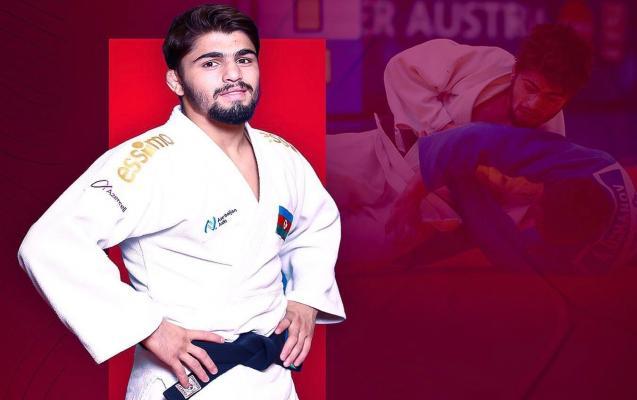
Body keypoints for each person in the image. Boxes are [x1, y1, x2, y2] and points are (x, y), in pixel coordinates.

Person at [17, 4, 345, 400]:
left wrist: (306, 297)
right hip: (189, 383)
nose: (233, 74)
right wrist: (148, 327)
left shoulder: (280, 156)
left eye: (244, 59)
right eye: (211, 63)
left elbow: (317, 223)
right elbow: (50, 243)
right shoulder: (146, 161)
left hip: (273, 380)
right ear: (176, 80)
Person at [389, 123, 637, 273]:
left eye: (537, 218)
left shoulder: (582, 262)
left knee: (499, 237)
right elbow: (478, 138)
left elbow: (496, 241)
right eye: (538, 207)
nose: (532, 213)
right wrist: (413, 193)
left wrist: (462, 181)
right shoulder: (588, 164)